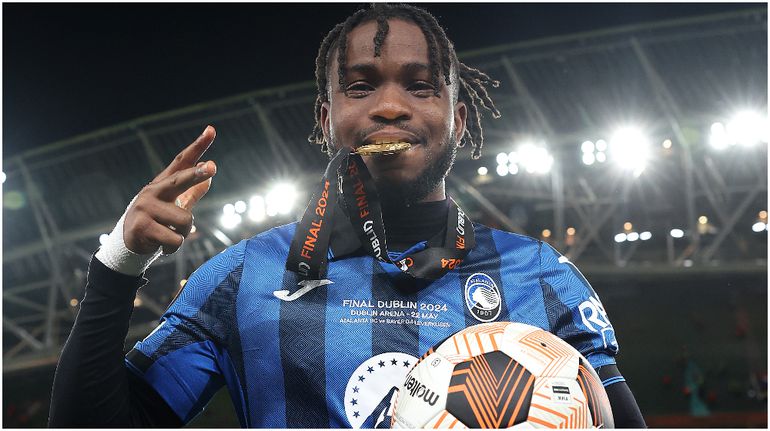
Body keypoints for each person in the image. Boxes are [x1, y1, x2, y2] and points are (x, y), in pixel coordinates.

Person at [49, 4, 646, 428]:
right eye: (360, 88)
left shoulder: (540, 276)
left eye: (421, 87)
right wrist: (119, 264)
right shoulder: (244, 278)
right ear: (324, 119)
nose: (390, 106)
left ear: (459, 121)